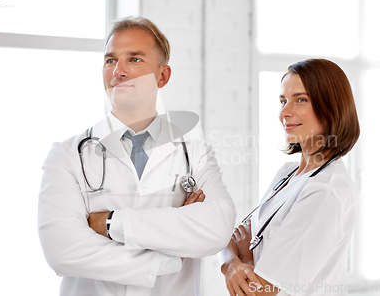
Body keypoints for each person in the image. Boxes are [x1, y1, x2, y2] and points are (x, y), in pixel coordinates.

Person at [38, 16, 236, 296]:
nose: (118, 70)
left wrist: (109, 223)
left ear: (162, 76)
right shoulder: (67, 155)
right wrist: (167, 256)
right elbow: (63, 250)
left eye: (134, 59)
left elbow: (217, 229)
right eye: (110, 60)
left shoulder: (195, 154)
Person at [220, 59, 360, 296]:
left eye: (301, 100)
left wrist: (237, 261)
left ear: (331, 106)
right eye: (283, 101)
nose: (284, 112)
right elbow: (232, 237)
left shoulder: (326, 191)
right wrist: (235, 262)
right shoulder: (287, 173)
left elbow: (256, 291)